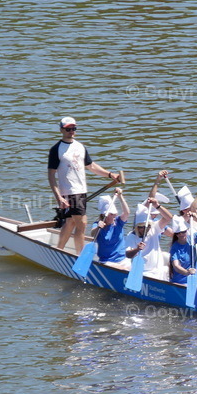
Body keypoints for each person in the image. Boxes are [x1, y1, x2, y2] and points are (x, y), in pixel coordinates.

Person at [47, 117, 119, 252]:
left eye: (73, 128)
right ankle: (80, 256)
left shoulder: (80, 146)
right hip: (69, 191)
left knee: (70, 222)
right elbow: (51, 175)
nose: (71, 131)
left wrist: (110, 174)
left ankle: (59, 250)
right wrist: (59, 197)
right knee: (82, 223)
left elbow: (91, 166)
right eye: (68, 129)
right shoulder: (56, 149)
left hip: (81, 190)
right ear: (61, 130)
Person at [124, 199, 173, 277]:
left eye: (147, 226)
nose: (144, 229)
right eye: (141, 227)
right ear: (137, 227)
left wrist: (157, 205)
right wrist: (137, 249)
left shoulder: (154, 228)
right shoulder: (132, 236)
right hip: (144, 272)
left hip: (158, 269)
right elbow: (128, 255)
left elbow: (169, 218)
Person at [93, 188, 131, 265]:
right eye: (112, 214)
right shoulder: (98, 224)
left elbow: (127, 213)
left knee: (127, 265)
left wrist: (120, 196)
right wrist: (98, 228)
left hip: (122, 259)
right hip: (107, 261)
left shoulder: (118, 222)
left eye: (115, 214)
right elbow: (92, 234)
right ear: (105, 216)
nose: (115, 215)